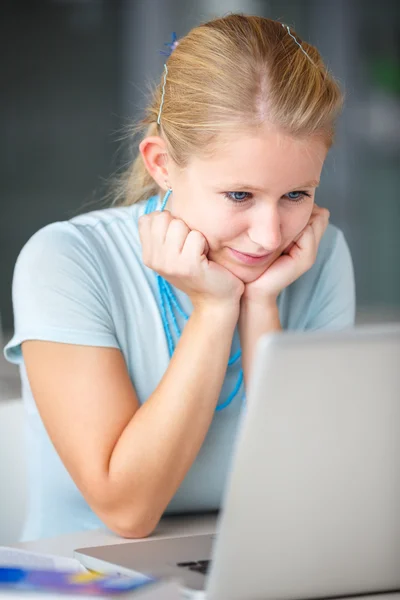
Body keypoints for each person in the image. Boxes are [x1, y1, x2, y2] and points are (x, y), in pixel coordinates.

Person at [4, 14, 355, 542]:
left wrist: (260, 308)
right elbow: (128, 512)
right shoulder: (65, 262)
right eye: (239, 195)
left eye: (296, 195)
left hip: (257, 571)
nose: (267, 235)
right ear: (162, 164)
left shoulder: (318, 257)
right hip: (88, 580)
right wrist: (214, 312)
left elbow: (309, 502)